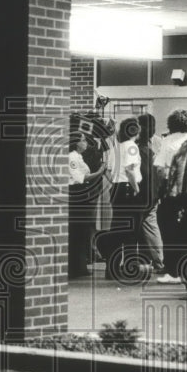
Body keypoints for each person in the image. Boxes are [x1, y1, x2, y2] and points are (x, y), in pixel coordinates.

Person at [97, 117, 142, 278]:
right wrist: (137, 188)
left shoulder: (116, 146)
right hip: (129, 189)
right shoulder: (131, 147)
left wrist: (115, 183)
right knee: (131, 231)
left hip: (116, 189)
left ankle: (112, 268)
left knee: (117, 230)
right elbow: (130, 169)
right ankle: (130, 268)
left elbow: (109, 170)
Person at [155, 109, 187, 284]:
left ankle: (172, 271)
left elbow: (160, 168)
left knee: (169, 230)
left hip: (171, 191)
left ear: (170, 124)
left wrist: (158, 190)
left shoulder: (167, 141)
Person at [69, 129, 108, 278]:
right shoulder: (72, 157)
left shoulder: (79, 156)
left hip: (82, 194)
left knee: (82, 231)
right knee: (78, 231)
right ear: (76, 143)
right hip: (77, 194)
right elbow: (81, 177)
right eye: (83, 140)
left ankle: (79, 265)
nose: (85, 143)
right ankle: (76, 267)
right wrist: (100, 171)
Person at [136, 113, 164, 274]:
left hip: (143, 192)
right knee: (150, 226)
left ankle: (157, 260)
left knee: (146, 226)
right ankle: (157, 260)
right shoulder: (154, 146)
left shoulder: (139, 148)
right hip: (152, 191)